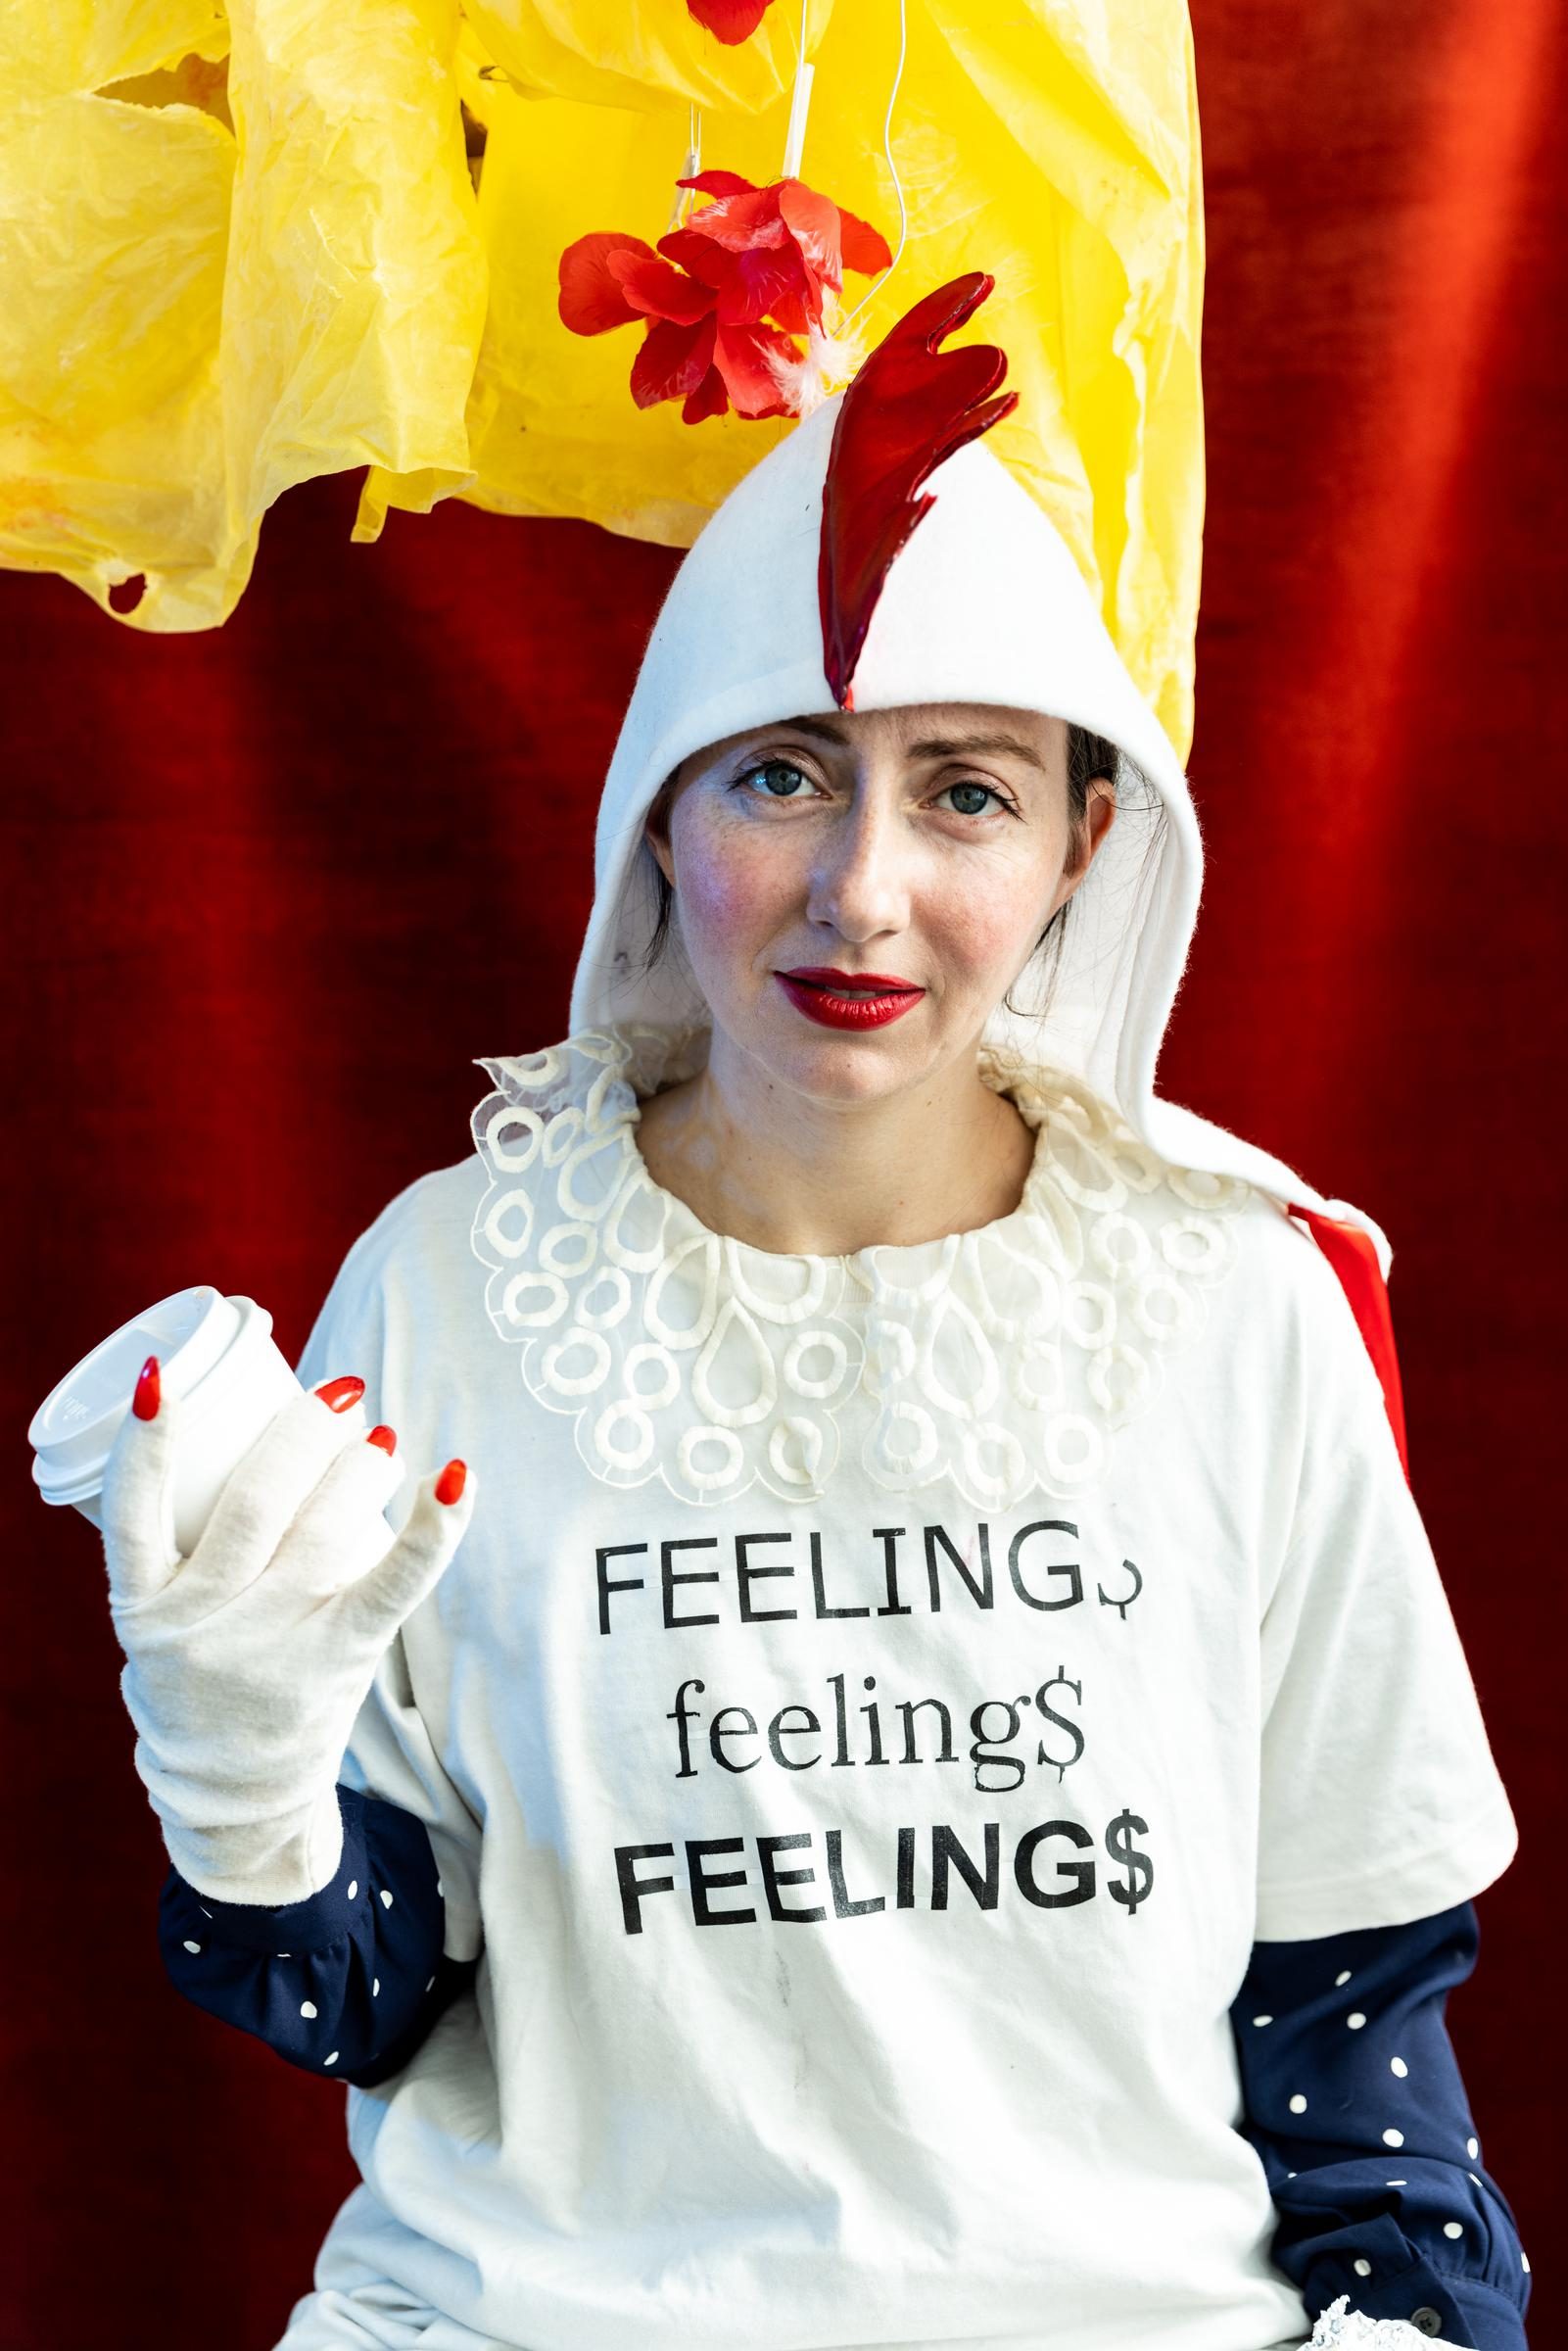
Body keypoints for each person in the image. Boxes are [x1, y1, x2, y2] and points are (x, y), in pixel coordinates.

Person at [100, 279, 1529, 2351]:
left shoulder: (1243, 1305)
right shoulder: (448, 1287)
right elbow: (367, 1999)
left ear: (1084, 844)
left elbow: (1353, 2008)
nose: (862, 890)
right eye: (780, 777)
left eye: (966, 793)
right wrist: (240, 1766)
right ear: (658, 814)